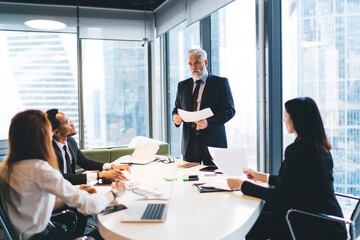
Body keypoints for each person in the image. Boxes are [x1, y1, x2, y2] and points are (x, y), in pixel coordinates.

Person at [227, 97, 347, 239]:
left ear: (296, 119)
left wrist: (242, 185)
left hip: (311, 224)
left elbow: (280, 197)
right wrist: (263, 177)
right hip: (330, 222)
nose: (283, 120)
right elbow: (298, 181)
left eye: (285, 116)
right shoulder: (320, 147)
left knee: (254, 223)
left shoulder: (297, 150)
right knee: (262, 212)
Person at [0, 110, 125, 240]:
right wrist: (114, 193)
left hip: (31, 235)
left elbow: (36, 206)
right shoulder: (39, 169)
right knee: (106, 235)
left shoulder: (7, 169)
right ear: (42, 136)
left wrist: (73, 193)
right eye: (49, 131)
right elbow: (90, 206)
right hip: (45, 236)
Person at [172, 48, 235, 165]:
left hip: (213, 142)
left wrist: (208, 122)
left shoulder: (220, 83)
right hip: (189, 144)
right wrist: (175, 117)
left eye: (197, 62)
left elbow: (229, 110)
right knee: (189, 180)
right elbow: (176, 108)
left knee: (214, 180)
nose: (193, 67)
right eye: (190, 64)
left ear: (205, 62)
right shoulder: (183, 85)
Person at [46, 109, 129, 185]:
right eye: (67, 122)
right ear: (56, 132)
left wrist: (112, 166)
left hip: (71, 189)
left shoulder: (70, 141)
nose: (72, 123)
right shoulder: (49, 150)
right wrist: (99, 175)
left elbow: (86, 162)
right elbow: (60, 177)